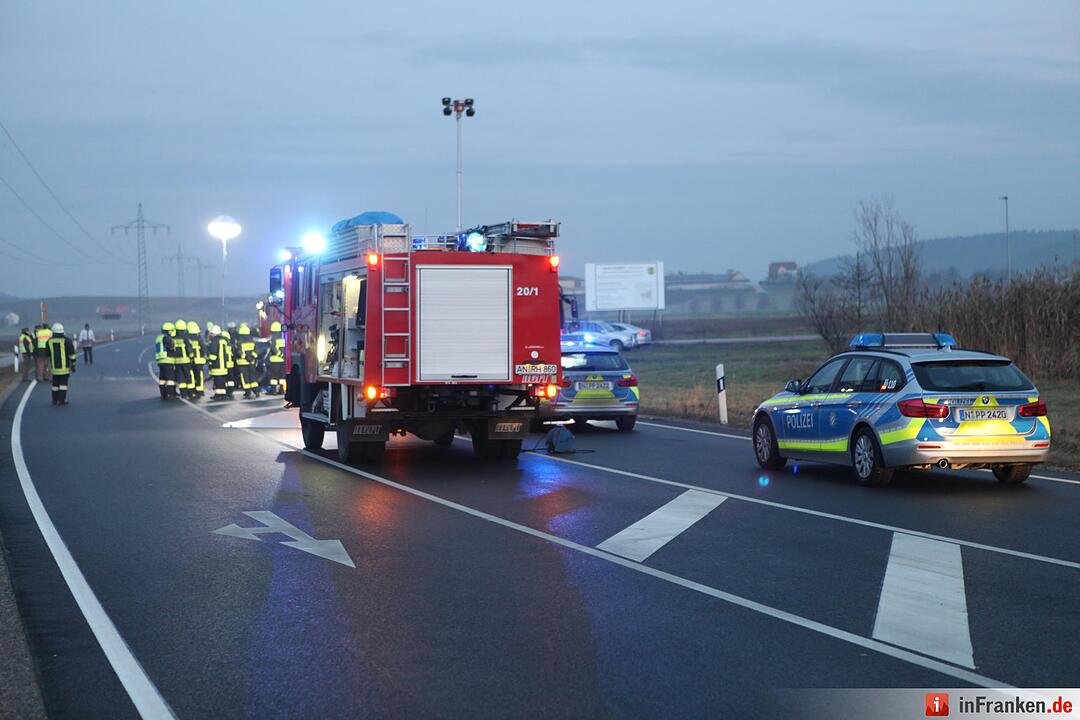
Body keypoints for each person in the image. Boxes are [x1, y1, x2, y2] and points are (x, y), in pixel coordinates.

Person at [46, 323, 76, 405]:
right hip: (64, 368)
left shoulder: (49, 341)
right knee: (63, 385)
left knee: (55, 385)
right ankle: (61, 400)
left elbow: (47, 354)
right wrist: (73, 364)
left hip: (54, 368)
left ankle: (54, 400)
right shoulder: (67, 340)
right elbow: (72, 354)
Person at [206, 325, 232, 401]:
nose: (210, 334)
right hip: (224, 364)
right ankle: (222, 394)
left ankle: (218, 395)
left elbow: (213, 354)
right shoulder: (223, 341)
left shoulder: (215, 341)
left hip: (217, 364)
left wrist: (209, 361)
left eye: (211, 333)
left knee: (218, 381)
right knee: (222, 380)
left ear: (214, 333)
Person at [236, 323, 259, 398]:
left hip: (243, 363)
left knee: (245, 377)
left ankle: (247, 392)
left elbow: (239, 352)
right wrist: (252, 357)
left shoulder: (239, 342)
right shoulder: (252, 341)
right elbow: (255, 352)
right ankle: (256, 391)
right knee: (253, 377)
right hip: (251, 362)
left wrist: (245, 357)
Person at [154, 322, 176, 399]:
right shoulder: (167, 338)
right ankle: (171, 394)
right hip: (168, 360)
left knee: (162, 378)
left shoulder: (159, 338)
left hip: (160, 361)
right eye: (171, 330)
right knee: (170, 378)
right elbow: (171, 347)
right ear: (168, 331)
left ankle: (163, 394)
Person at [173, 319, 191, 399]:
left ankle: (183, 394)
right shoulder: (185, 338)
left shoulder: (173, 338)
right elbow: (189, 348)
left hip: (177, 361)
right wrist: (191, 356)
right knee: (188, 376)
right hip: (185, 360)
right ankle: (190, 393)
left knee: (180, 378)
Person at [186, 321, 205, 398]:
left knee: (191, 376)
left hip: (189, 361)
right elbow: (204, 349)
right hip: (199, 361)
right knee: (199, 376)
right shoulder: (199, 339)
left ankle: (191, 392)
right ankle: (200, 391)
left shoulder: (186, 339)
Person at [267, 321, 286, 395]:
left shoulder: (273, 338)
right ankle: (282, 390)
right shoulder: (283, 337)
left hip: (275, 360)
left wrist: (279, 354)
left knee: (274, 377)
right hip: (283, 361)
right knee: (282, 377)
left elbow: (273, 348)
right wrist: (283, 356)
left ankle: (273, 390)